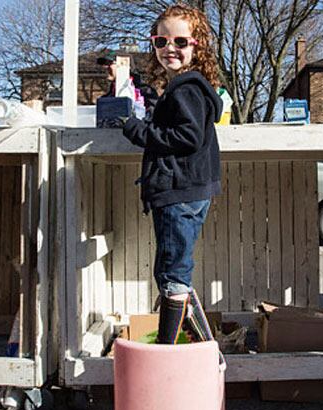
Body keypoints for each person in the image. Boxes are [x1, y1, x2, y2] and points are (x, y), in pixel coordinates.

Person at [120, 4, 222, 345]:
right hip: (188, 190)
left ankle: (167, 350)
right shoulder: (187, 87)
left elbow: (187, 138)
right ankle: (190, 338)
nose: (170, 48)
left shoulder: (187, 89)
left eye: (180, 41)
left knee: (172, 274)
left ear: (197, 45)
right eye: (161, 41)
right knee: (174, 270)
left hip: (180, 192)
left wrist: (137, 132)